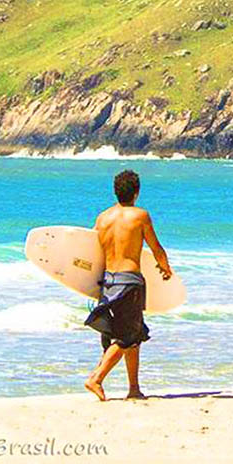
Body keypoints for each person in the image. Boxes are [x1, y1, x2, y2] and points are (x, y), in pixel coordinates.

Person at [83, 169, 172, 401]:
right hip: (130, 282)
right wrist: (165, 267)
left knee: (134, 332)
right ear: (137, 192)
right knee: (128, 337)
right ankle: (96, 378)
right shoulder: (140, 216)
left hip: (108, 282)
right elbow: (155, 247)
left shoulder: (102, 218)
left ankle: (134, 389)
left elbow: (91, 252)